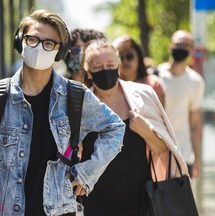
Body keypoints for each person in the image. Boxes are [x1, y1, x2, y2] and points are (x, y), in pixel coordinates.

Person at [0, 9, 125, 216]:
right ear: (20, 42)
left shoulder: (75, 96)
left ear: (59, 51)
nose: (40, 48)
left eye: (49, 43)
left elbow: (115, 128)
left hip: (61, 210)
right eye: (32, 40)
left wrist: (87, 174)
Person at [80, 39, 189, 216]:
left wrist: (147, 133)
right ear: (89, 72)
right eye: (98, 66)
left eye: (110, 64)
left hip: (139, 202)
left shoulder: (143, 96)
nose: (105, 70)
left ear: (119, 65)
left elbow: (162, 149)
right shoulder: (81, 105)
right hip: (93, 203)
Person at [158, 30, 205, 178]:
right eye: (178, 44)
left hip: (182, 155)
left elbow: (195, 124)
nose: (181, 48)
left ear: (191, 50)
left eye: (186, 45)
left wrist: (197, 159)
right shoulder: (155, 75)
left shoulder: (195, 82)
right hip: (156, 153)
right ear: (170, 45)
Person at [112, 34, 166, 106]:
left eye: (129, 56)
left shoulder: (153, 84)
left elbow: (161, 116)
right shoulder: (112, 87)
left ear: (139, 58)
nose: (125, 61)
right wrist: (115, 47)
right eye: (121, 57)